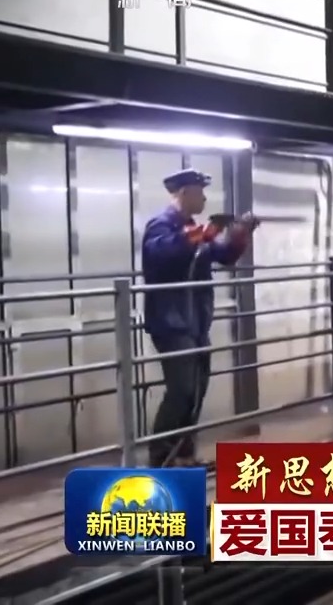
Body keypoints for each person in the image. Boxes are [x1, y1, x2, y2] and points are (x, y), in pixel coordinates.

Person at [141, 169, 258, 466]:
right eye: (199, 192)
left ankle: (184, 454)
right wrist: (204, 233)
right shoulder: (161, 225)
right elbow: (163, 252)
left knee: (197, 390)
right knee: (182, 389)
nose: (204, 198)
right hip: (171, 322)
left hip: (195, 322)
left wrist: (240, 233)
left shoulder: (194, 228)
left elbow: (224, 255)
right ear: (184, 193)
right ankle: (161, 457)